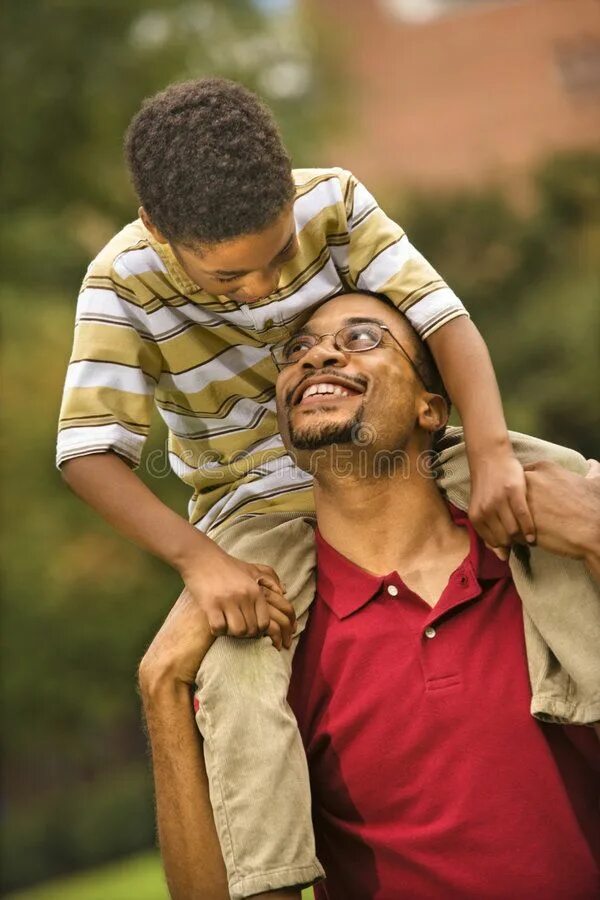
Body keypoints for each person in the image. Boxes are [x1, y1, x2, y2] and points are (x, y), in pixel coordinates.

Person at [57, 78, 594, 896]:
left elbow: (442, 316)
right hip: (245, 511)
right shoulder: (119, 283)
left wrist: (489, 454)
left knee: (562, 490)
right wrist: (201, 565)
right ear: (160, 232)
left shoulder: (334, 201)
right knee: (236, 672)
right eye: (233, 278)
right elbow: (88, 453)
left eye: (279, 258)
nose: (268, 293)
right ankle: (268, 873)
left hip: (440, 454)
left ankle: (575, 690)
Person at [139, 291, 599, 899]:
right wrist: (162, 686)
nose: (316, 356)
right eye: (297, 350)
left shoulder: (544, 562)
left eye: (361, 339)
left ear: (429, 408)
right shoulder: (272, 634)